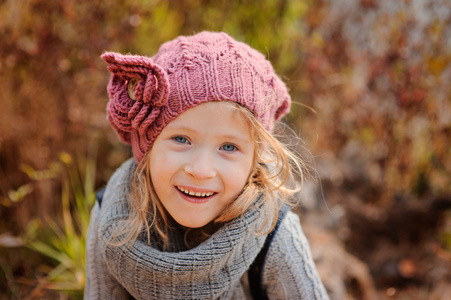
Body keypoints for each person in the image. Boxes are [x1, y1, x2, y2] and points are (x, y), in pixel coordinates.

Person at [84, 31, 329, 299]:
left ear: (254, 160)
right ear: (148, 146)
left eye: (229, 147)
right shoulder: (111, 216)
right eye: (181, 139)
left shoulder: (271, 233)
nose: (200, 170)